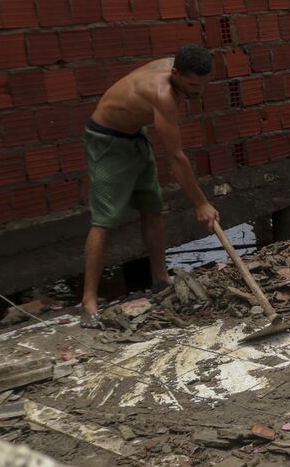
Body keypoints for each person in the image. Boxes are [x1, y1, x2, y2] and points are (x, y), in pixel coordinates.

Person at [80, 45, 220, 327]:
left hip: (134, 136)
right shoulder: (163, 95)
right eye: (193, 85)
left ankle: (160, 278)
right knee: (105, 220)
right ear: (176, 74)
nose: (199, 91)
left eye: (204, 84)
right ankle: (88, 300)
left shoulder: (176, 67)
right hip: (107, 141)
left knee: (152, 207)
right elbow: (176, 159)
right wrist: (201, 203)